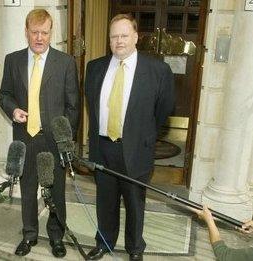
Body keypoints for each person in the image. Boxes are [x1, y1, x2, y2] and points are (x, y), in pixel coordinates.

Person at [84, 13, 175, 261]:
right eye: (114, 36)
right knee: (105, 201)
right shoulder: (94, 68)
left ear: (136, 37)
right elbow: (91, 106)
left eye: (124, 35)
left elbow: (164, 110)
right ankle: (104, 243)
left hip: (135, 149)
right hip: (103, 147)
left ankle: (135, 250)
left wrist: (143, 135)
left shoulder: (158, 70)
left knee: (135, 203)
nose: (119, 41)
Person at [0, 9, 79, 258]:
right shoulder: (12, 60)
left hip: (53, 140)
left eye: (44, 32)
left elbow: (72, 106)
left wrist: (66, 141)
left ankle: (56, 236)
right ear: (27, 32)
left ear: (50, 32)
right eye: (35, 32)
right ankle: (29, 234)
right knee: (28, 188)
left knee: (55, 191)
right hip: (25, 137)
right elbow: (4, 95)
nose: (40, 38)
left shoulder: (65, 62)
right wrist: (13, 111)